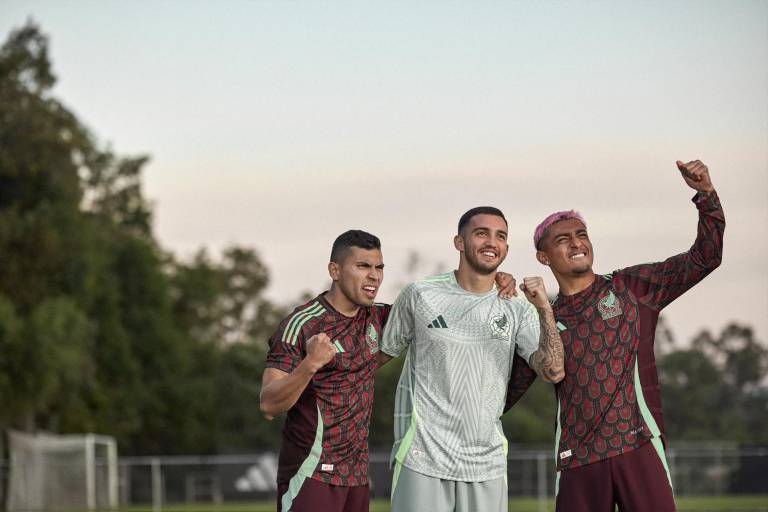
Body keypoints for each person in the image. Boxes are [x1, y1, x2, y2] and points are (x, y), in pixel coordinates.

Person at [259, 229, 517, 512]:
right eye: (363, 266)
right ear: (335, 270)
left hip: (357, 478)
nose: (374, 276)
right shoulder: (303, 323)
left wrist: (494, 282)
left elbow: (441, 309)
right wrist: (310, 364)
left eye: (379, 267)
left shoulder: (381, 317)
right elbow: (269, 404)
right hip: (311, 473)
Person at [533, 160, 725, 512]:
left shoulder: (631, 288)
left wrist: (706, 195)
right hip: (578, 458)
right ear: (543, 257)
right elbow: (539, 373)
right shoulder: (543, 318)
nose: (576, 243)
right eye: (563, 239)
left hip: (638, 446)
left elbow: (705, 257)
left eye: (581, 235)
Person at [378, 206, 565, 512]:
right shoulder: (420, 295)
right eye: (482, 233)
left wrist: (545, 309)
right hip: (421, 458)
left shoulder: (518, 309)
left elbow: (553, 370)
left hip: (486, 463)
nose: (492, 242)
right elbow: (377, 357)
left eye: (501, 236)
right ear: (459, 242)